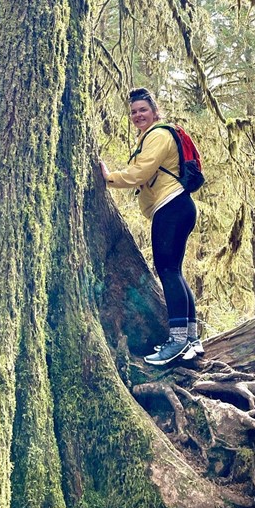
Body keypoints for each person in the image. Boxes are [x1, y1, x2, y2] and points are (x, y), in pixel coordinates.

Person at [100, 88, 203, 366]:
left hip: (171, 207)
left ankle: (178, 341)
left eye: (142, 110)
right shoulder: (156, 134)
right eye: (133, 112)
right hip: (178, 207)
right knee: (175, 272)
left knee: (168, 272)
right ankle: (192, 340)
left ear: (155, 111)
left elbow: (141, 173)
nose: (137, 115)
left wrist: (109, 178)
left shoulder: (157, 135)